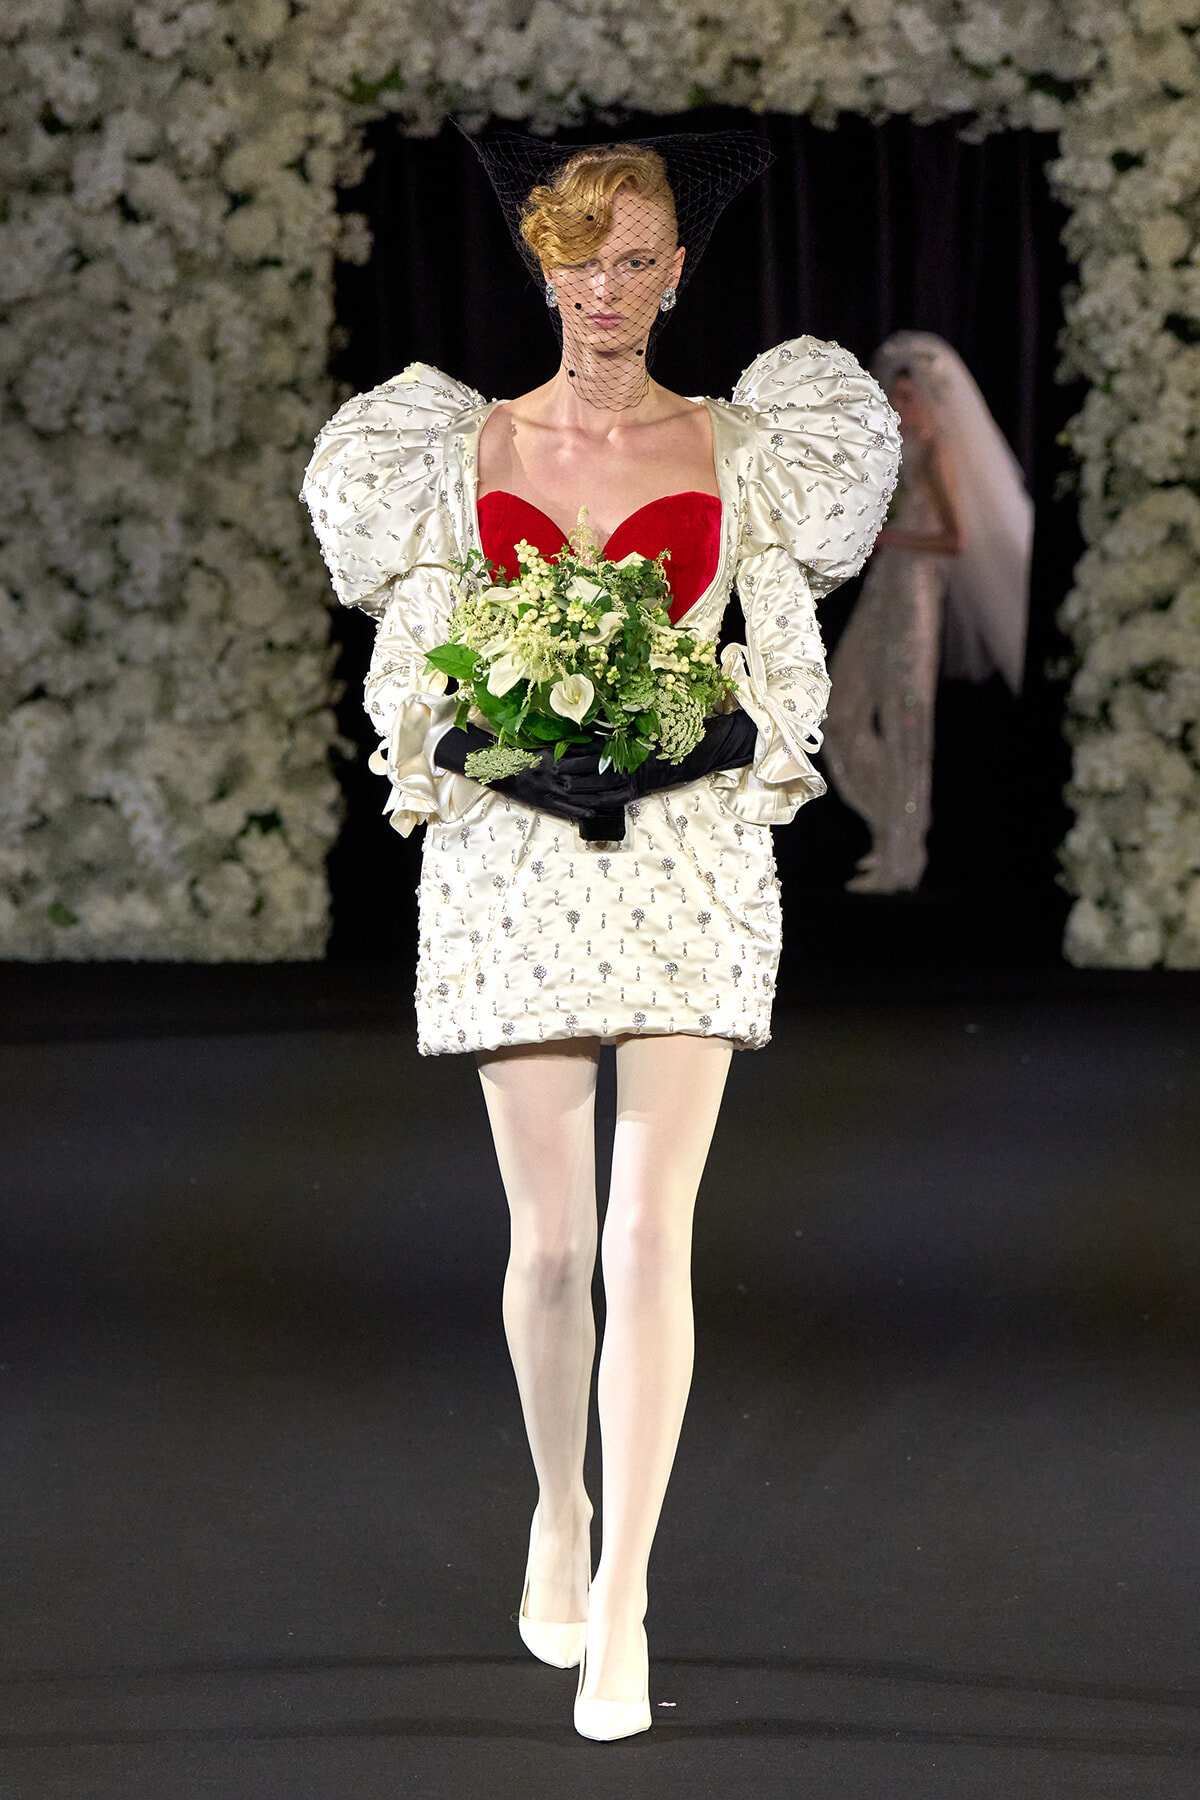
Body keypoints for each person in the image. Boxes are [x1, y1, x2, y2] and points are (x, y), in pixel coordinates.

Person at [302, 136, 900, 1741]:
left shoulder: (739, 450)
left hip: (693, 865)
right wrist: (513, 744)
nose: (607, 291)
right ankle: (557, 1507)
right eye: (581, 259)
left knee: (650, 1239)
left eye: (638, 262)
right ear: (540, 265)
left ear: (679, 276)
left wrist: (694, 740)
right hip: (513, 863)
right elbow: (413, 681)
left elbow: (780, 668)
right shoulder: (459, 448)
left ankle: (627, 1593)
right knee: (555, 1245)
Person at [821, 330, 1034, 892]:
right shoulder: (901, 452)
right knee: (839, 710)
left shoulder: (937, 452)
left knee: (906, 713)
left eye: (908, 398)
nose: (898, 406)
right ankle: (894, 825)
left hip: (915, 594)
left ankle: (903, 854)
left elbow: (954, 540)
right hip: (885, 590)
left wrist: (890, 538)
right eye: (895, 397)